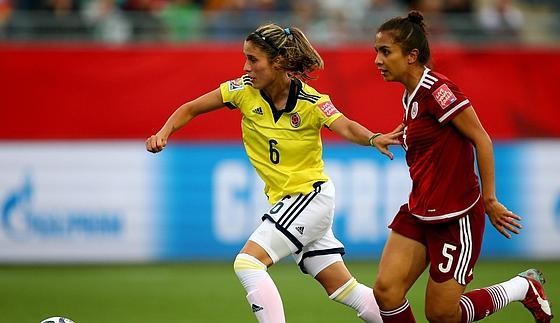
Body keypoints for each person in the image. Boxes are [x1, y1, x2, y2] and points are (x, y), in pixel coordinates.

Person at [146, 23, 404, 323]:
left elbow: (344, 124)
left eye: (253, 59)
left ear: (278, 62)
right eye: (245, 58)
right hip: (293, 202)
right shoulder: (242, 90)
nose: (246, 67)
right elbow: (191, 108)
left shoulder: (312, 102)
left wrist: (373, 138)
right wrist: (164, 132)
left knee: (247, 263)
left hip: (309, 196)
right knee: (343, 289)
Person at [370, 11, 553, 323]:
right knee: (386, 291)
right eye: (377, 51)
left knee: (441, 315)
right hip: (420, 209)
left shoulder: (438, 90)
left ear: (412, 56)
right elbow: (431, 137)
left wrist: (490, 200)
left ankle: (523, 286)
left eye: (385, 52)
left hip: (455, 215)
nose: (377, 60)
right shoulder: (411, 96)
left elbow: (481, 139)